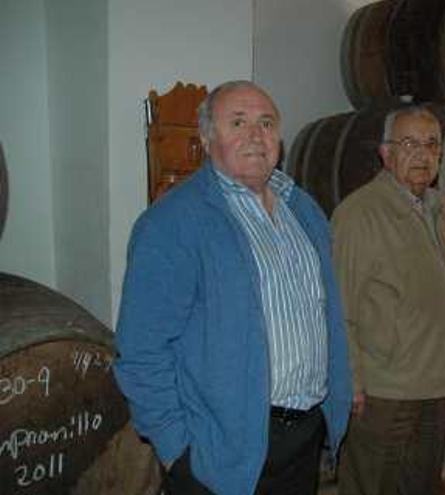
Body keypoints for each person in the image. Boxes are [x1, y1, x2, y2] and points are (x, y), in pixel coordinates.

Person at [113, 80, 352, 495]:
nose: (256, 136)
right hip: (220, 450)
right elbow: (141, 353)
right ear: (207, 138)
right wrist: (177, 452)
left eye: (266, 123)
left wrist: (339, 399)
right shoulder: (172, 223)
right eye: (237, 122)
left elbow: (326, 315)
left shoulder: (305, 210)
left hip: (305, 436)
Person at [331, 106, 445, 495]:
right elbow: (340, 308)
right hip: (383, 392)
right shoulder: (359, 213)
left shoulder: (439, 208)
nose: (422, 153)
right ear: (385, 154)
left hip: (434, 384)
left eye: (431, 144)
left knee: (421, 487)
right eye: (409, 143)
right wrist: (351, 384)